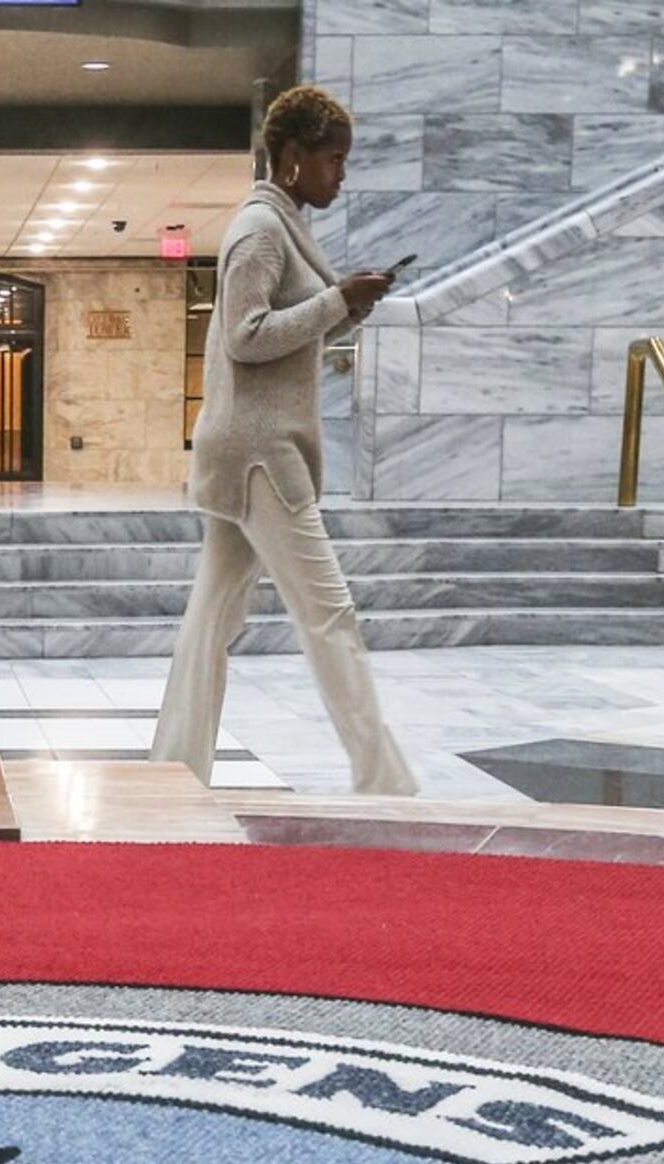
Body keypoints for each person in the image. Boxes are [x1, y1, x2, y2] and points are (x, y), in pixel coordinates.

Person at [154, 85, 418, 798]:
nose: (341, 174)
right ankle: (384, 781)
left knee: (211, 617)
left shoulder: (283, 221)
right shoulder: (261, 230)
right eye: (333, 160)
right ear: (293, 156)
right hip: (261, 456)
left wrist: (345, 307)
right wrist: (339, 301)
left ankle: (171, 770)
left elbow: (287, 329)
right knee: (329, 612)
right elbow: (244, 337)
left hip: (248, 451)